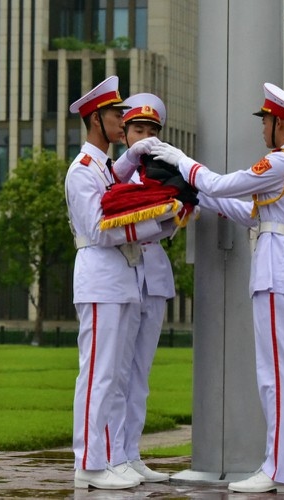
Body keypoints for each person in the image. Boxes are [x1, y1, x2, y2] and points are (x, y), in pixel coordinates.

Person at [149, 82, 284, 493]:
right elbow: (250, 213)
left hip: (277, 271)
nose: (262, 130)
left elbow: (225, 184)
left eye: (265, 122)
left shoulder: (281, 162)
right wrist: (202, 197)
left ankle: (278, 470)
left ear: (279, 123)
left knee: (275, 376)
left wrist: (179, 159)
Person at [66, 75, 175, 490]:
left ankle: (111, 458)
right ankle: (90, 463)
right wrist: (155, 222)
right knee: (98, 375)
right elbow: (98, 227)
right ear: (97, 119)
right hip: (100, 275)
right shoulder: (82, 170)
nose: (121, 119)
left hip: (120, 276)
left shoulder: (106, 169)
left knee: (116, 377)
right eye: (115, 114)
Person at [104, 93, 176, 483]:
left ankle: (132, 452)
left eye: (152, 130)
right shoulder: (115, 170)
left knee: (140, 374)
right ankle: (113, 454)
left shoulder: (163, 171)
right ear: (125, 133)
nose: (145, 137)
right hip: (124, 272)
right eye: (138, 130)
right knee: (117, 373)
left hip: (154, 274)